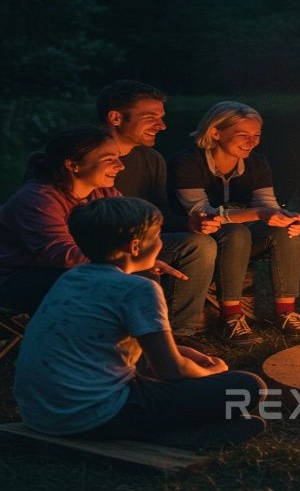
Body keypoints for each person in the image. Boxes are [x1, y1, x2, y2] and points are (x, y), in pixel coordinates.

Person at [13, 197, 266, 446]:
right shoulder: (137, 288)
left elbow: (111, 348)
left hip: (40, 414)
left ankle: (178, 428)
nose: (161, 242)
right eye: (158, 236)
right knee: (247, 386)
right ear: (135, 247)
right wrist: (210, 372)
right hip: (94, 415)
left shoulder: (72, 278)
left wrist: (181, 352)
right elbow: (170, 371)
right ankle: (171, 433)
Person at [169, 101, 300, 345]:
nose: (252, 141)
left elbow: (267, 205)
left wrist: (287, 219)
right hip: (201, 238)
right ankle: (232, 317)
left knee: (285, 231)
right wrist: (259, 214)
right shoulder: (187, 162)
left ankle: (286, 312)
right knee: (236, 232)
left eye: (256, 135)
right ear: (215, 132)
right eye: (243, 135)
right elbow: (203, 214)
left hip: (244, 239)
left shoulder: (256, 163)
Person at [97, 80, 217, 342]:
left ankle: (180, 336)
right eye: (150, 117)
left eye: (162, 117)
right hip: (97, 249)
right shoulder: (85, 156)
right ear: (115, 117)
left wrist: (190, 224)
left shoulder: (152, 160)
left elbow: (159, 216)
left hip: (142, 243)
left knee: (199, 244)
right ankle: (142, 338)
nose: (162, 126)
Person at [0, 127, 124, 313]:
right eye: (109, 159)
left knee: (162, 259)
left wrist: (144, 254)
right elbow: (62, 254)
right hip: (18, 277)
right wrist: (122, 264)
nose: (121, 166)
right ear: (73, 164)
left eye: (118, 157)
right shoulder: (38, 200)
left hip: (79, 266)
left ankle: (166, 335)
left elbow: (131, 228)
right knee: (95, 280)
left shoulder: (105, 193)